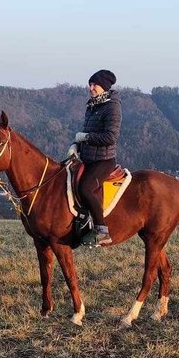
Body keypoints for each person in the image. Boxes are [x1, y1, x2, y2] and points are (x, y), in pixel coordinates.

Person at [71, 69, 121, 246]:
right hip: (87, 157)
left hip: (104, 160)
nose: (91, 88)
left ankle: (102, 230)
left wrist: (85, 138)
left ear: (104, 87)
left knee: (86, 187)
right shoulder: (92, 105)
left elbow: (110, 137)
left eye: (95, 85)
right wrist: (75, 145)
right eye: (90, 84)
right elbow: (87, 131)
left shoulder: (112, 107)